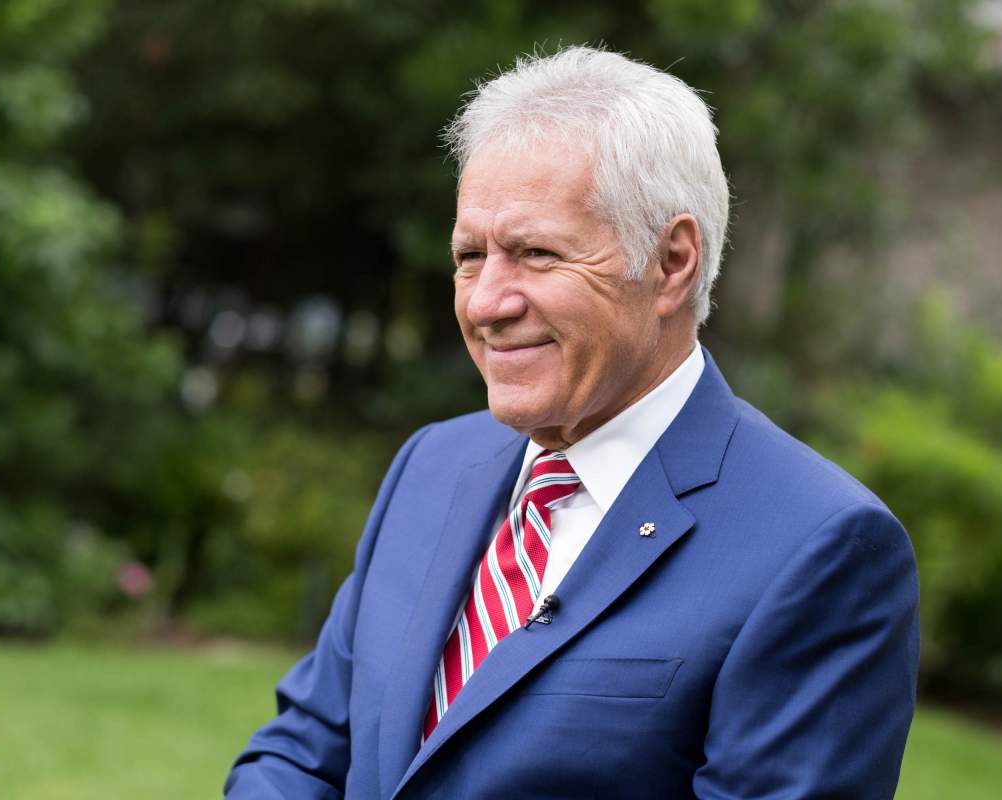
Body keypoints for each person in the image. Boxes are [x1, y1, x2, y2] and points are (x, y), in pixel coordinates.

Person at [225, 46, 918, 799]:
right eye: (469, 255)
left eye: (535, 254)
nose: (487, 301)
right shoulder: (431, 465)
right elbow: (301, 753)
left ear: (672, 262)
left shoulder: (821, 546)